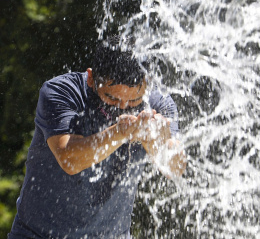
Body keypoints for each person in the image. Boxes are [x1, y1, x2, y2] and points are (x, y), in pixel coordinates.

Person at [8, 38, 186, 239]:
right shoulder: (61, 92)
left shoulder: (158, 103)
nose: (123, 107)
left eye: (134, 100)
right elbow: (69, 159)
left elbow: (176, 168)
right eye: (113, 98)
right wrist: (121, 132)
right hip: (37, 235)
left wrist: (158, 142)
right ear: (91, 78)